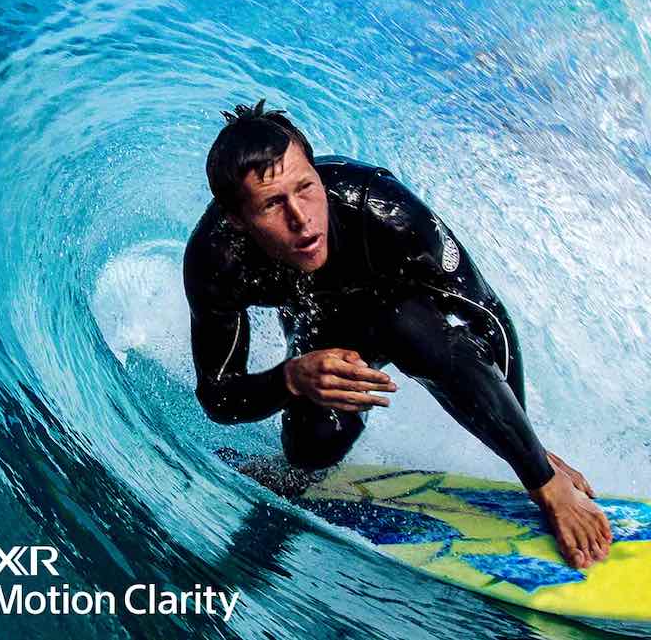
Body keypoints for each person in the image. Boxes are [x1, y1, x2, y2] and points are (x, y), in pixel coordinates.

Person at [182, 100, 612, 568]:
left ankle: (548, 484)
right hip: (321, 326)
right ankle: (295, 475)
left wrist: (530, 454)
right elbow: (219, 396)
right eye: (272, 204)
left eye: (306, 188)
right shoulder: (217, 260)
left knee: (409, 327)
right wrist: (292, 378)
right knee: (313, 448)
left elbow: (485, 317)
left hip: (407, 312)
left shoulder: (382, 208)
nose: (302, 219)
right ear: (237, 218)